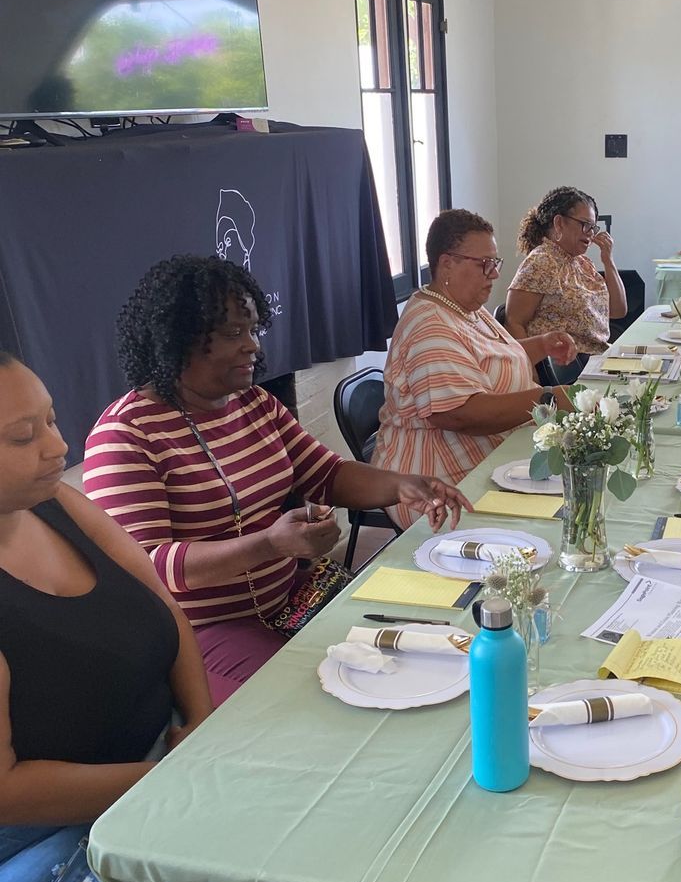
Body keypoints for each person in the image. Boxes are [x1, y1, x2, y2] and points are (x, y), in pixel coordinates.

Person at [84, 255, 471, 705]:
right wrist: (269, 545)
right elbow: (149, 566)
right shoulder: (126, 436)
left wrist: (401, 484)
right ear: (178, 337)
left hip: (293, 593)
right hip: (203, 633)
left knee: (422, 649)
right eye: (233, 333)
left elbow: (326, 474)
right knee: (313, 704)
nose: (252, 346)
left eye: (253, 330)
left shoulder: (254, 404)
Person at [0, 351, 214, 882]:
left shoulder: (55, 501)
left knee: (303, 839)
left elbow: (165, 609)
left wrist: (199, 723)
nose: (58, 445)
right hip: (29, 845)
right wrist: (172, 779)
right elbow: (8, 793)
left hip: (147, 775)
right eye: (24, 435)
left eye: (51, 418)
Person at [373, 209, 578, 528]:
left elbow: (486, 360)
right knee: (553, 519)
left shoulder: (465, 308)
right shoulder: (430, 327)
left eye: (495, 263)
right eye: (484, 264)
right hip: (439, 481)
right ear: (446, 265)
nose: (494, 274)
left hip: (490, 453)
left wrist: (540, 345)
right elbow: (457, 413)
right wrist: (546, 399)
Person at [505, 188, 627, 383]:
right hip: (568, 372)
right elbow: (514, 322)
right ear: (559, 223)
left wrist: (608, 260)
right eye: (585, 225)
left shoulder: (581, 262)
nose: (590, 234)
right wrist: (531, 378)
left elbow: (619, 311)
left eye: (593, 227)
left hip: (596, 361)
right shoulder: (542, 261)